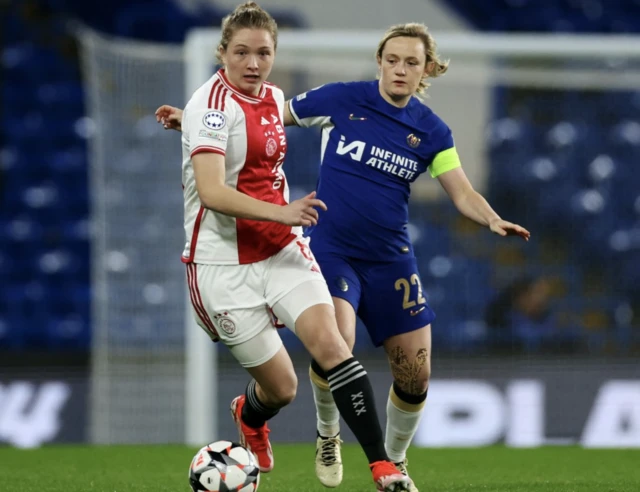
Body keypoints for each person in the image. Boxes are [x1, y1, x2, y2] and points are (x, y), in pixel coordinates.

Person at [157, 21, 530, 492]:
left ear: (426, 71)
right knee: (337, 343)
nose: (399, 69)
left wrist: (491, 218)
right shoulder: (341, 99)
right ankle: (331, 436)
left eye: (411, 63)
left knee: (416, 375)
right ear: (379, 61)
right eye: (391, 59)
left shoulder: (433, 132)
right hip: (329, 247)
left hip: (391, 257)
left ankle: (395, 460)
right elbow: (263, 117)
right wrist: (192, 120)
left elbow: (462, 190)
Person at [167, 3, 412, 492]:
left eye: (263, 52)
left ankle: (383, 468)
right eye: (241, 52)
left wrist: (188, 125)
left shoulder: (271, 96)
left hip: (281, 250)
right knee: (283, 388)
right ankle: (251, 414)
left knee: (332, 346)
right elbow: (213, 194)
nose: (253, 63)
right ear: (223, 53)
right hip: (223, 266)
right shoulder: (209, 105)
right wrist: (282, 209)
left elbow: (250, 133)